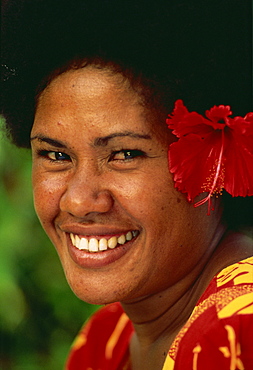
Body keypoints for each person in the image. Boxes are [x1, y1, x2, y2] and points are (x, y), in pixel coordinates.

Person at [1, 1, 253, 369]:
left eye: (124, 154)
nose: (79, 200)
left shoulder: (235, 330)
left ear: (215, 162)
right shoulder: (107, 336)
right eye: (56, 156)